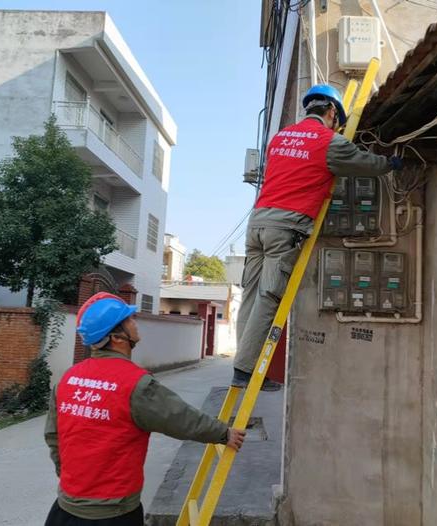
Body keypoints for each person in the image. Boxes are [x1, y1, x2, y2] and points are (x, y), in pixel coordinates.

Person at [233, 84, 402, 390]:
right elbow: (365, 164)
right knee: (269, 297)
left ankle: (239, 368)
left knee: (249, 294)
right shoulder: (330, 142)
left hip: (257, 223)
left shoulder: (279, 139)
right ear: (332, 113)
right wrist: (390, 163)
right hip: (285, 227)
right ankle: (247, 371)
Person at [44, 292, 246, 526]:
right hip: (114, 516)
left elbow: (53, 436)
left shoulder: (68, 379)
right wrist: (224, 433)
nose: (135, 323)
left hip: (63, 511)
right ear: (117, 337)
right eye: (129, 320)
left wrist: (73, 481)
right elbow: (181, 418)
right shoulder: (135, 384)